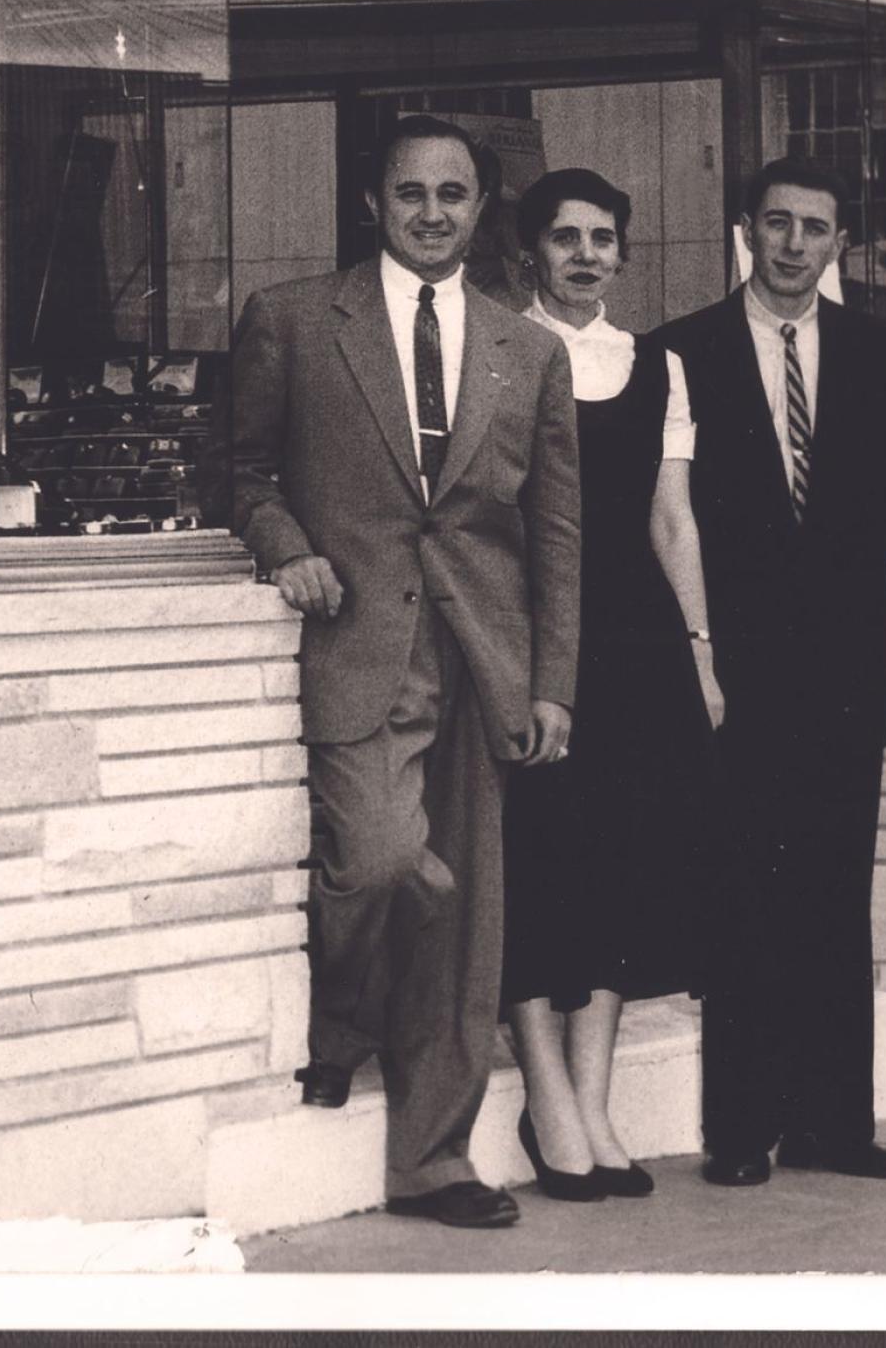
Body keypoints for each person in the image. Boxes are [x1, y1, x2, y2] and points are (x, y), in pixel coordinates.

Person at [199, 115, 581, 1230]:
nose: (429, 211)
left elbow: (556, 531)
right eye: (408, 191)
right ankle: (344, 1024)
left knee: (468, 931)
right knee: (375, 863)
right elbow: (239, 472)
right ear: (371, 202)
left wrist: (551, 681)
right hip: (361, 643)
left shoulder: (530, 349)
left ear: (479, 209)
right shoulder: (292, 320)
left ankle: (433, 1164)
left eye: (451, 194)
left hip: (485, 661)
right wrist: (287, 546)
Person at [661, 159, 886, 1187]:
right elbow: (679, 512)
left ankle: (830, 1126)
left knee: (829, 893)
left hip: (843, 666)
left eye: (813, 228)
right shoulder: (682, 350)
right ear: (744, 232)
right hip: (735, 667)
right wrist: (724, 646)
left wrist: (817, 627)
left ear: (837, 244)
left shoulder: (872, 349)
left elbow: (885, 500)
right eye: (775, 224)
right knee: (741, 893)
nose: (792, 244)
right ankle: (739, 1131)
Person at [498, 169, 722, 1202]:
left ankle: (592, 1104)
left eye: (600, 238)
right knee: (542, 863)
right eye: (563, 238)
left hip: (633, 642)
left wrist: (701, 653)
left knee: (621, 867)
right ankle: (545, 1099)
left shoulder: (657, 365)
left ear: (622, 253)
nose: (583, 254)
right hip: (536, 638)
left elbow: (669, 519)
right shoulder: (500, 351)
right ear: (530, 252)